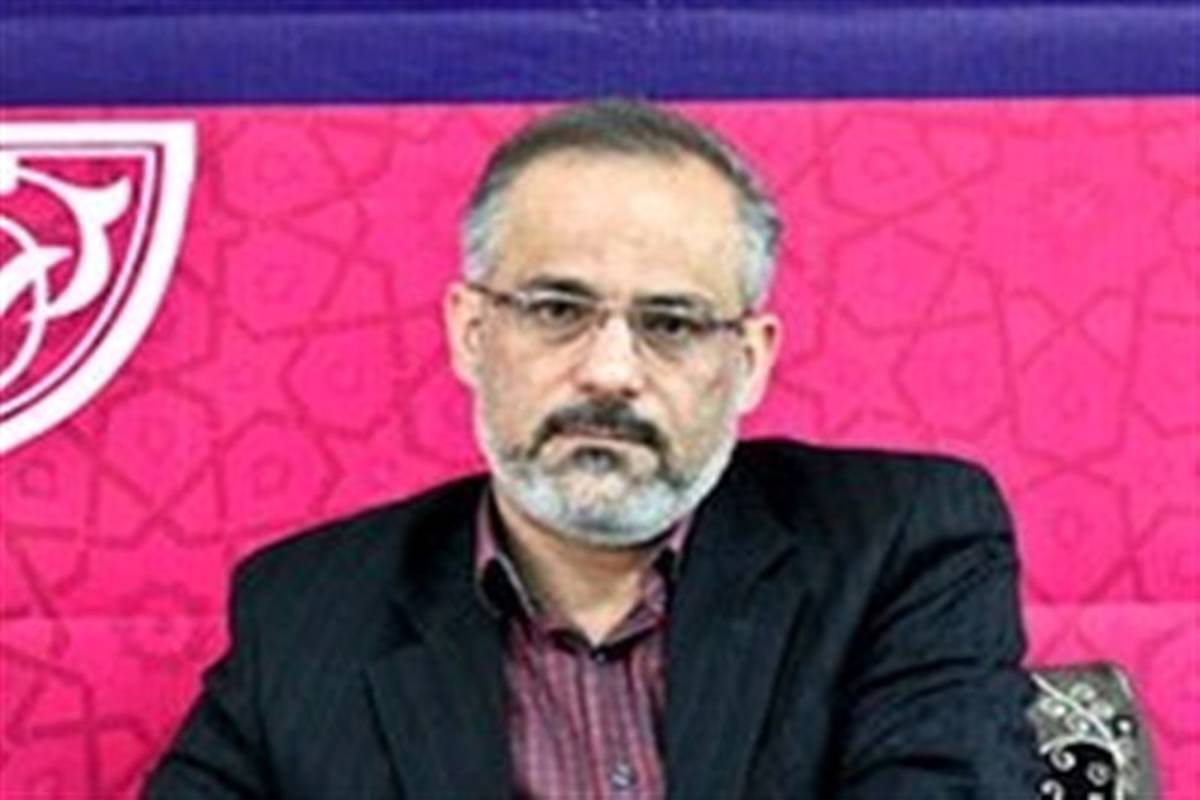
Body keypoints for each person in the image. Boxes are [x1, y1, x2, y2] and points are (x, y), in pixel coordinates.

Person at [145, 100, 1039, 799]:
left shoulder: (897, 546)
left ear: (750, 360)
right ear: (470, 332)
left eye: (671, 323)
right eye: (557, 310)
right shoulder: (308, 612)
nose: (610, 372)